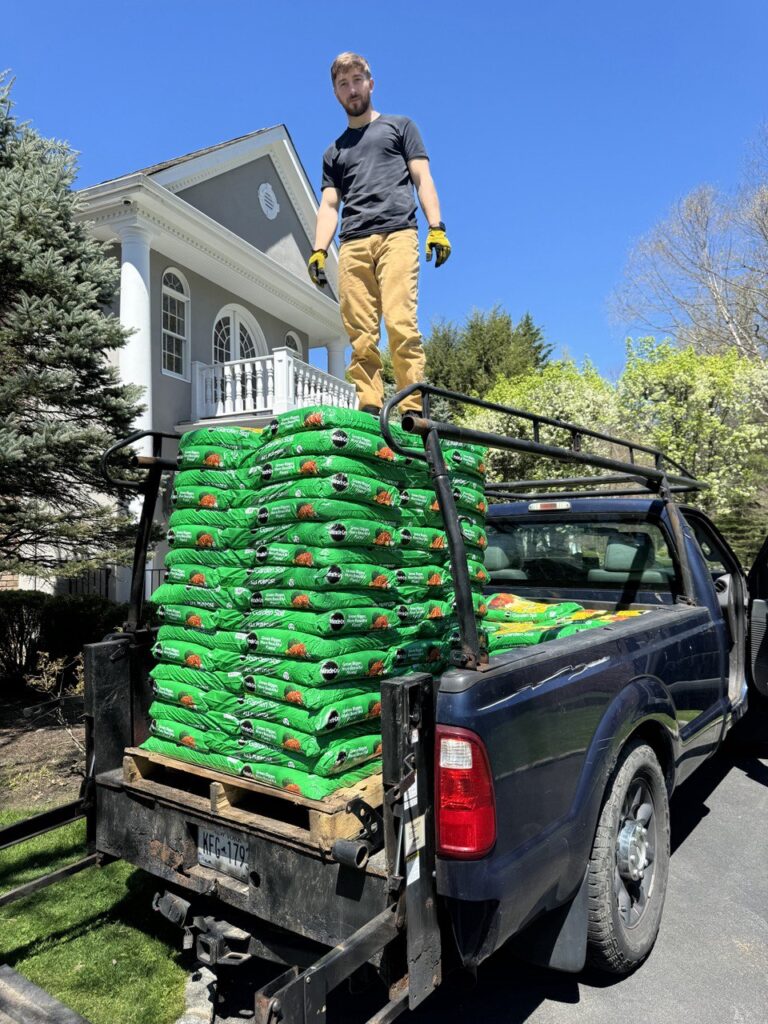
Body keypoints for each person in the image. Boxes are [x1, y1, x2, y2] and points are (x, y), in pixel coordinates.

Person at [308, 52, 451, 415]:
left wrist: (436, 227)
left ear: (371, 83)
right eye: (343, 84)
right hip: (353, 243)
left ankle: (411, 408)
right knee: (360, 334)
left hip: (397, 234)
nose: (352, 89)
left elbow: (422, 178)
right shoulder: (334, 152)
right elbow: (329, 205)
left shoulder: (400, 127)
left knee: (401, 322)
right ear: (336, 93)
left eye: (357, 80)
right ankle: (370, 407)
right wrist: (319, 250)